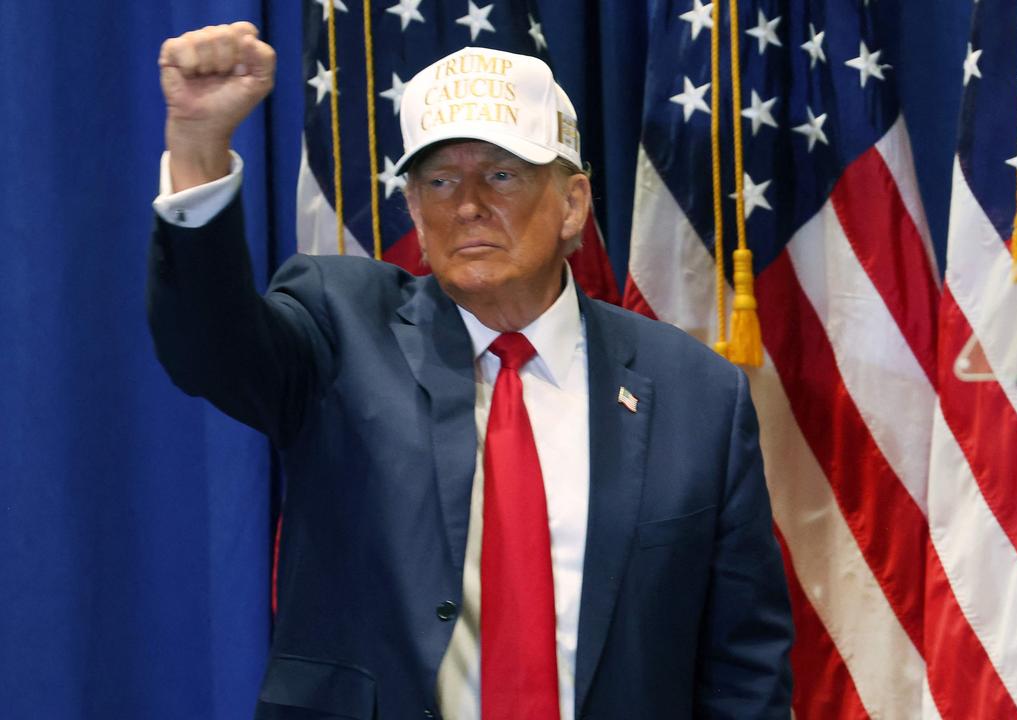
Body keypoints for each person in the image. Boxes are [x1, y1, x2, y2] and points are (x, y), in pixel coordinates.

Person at [150, 22, 792, 720]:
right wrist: (198, 148)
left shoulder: (696, 394)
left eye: (502, 174)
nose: (467, 205)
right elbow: (209, 346)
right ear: (415, 214)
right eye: (439, 179)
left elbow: (744, 669)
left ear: (573, 204)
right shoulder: (340, 328)